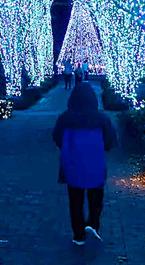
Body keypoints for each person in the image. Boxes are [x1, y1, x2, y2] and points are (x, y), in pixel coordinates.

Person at [52, 82, 117, 246]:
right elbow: (110, 141)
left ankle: (78, 234)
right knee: (96, 196)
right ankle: (93, 223)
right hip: (95, 164)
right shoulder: (101, 118)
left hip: (73, 164)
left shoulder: (65, 117)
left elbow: (57, 137)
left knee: (75, 200)